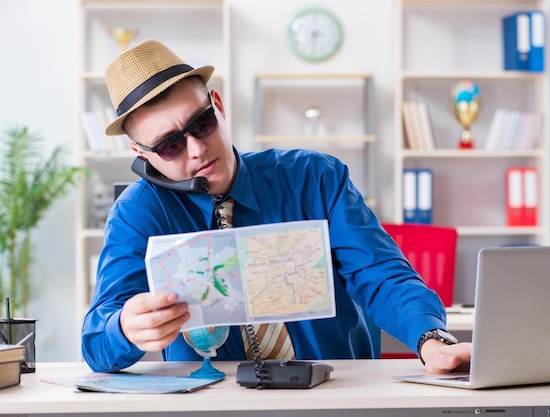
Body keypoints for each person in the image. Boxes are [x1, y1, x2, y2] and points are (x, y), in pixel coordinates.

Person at [81, 39, 471, 374]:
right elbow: (97, 340)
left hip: (336, 398)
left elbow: (381, 274)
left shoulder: (314, 177)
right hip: (212, 406)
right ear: (141, 154)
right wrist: (125, 329)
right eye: (170, 145)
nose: (197, 150)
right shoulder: (138, 213)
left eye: (202, 124)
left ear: (217, 104)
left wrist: (431, 338)